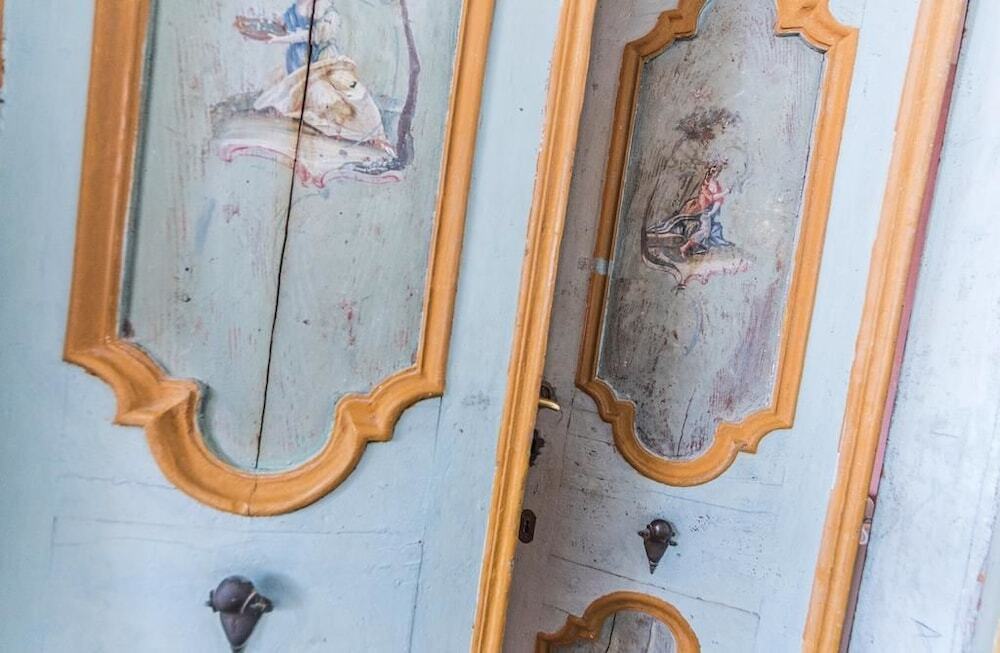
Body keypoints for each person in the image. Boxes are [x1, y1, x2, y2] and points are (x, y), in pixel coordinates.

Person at [263, 0, 342, 74]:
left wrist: (279, 39)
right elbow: (287, 23)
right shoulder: (296, 8)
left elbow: (308, 35)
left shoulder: (329, 14)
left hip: (320, 58)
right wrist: (279, 19)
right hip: (296, 60)